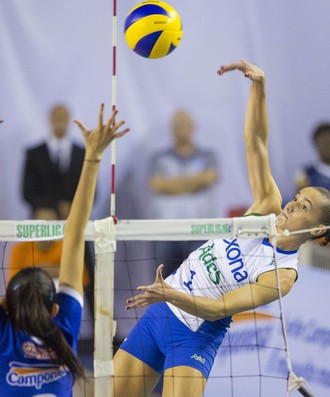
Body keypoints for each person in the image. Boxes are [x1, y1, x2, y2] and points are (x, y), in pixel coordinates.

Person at [112, 61, 330, 397]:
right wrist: (260, 86)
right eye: (297, 197)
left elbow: (217, 309)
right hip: (160, 314)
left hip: (195, 335)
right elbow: (255, 141)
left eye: (303, 206)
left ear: (318, 230)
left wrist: (172, 293)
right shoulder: (267, 206)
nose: (290, 204)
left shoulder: (281, 276)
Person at [0, 105, 129, 396]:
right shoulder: (66, 325)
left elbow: (69, 236)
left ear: (6, 307)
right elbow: (73, 234)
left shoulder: (5, 336)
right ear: (55, 308)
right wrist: (94, 156)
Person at [149, 110, 218, 277]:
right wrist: (194, 183)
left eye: (184, 124)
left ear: (193, 127)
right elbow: (157, 184)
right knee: (163, 284)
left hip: (199, 230)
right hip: (166, 231)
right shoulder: (159, 157)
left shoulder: (207, 156)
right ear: (171, 129)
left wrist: (172, 184)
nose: (180, 129)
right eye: (176, 125)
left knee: (201, 282)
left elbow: (210, 177)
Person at [22, 104, 85, 220]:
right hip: (44, 215)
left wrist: (72, 206)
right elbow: (28, 192)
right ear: (50, 119)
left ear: (69, 120)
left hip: (74, 215)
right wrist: (54, 207)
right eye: (57, 117)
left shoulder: (83, 154)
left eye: (64, 117)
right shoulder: (34, 154)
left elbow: (91, 190)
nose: (60, 121)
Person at [295, 123, 330, 192]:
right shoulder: (305, 173)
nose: (327, 148)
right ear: (316, 144)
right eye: (325, 143)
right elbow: (299, 199)